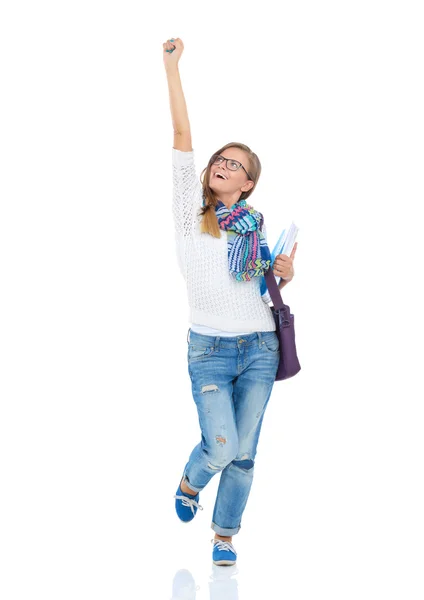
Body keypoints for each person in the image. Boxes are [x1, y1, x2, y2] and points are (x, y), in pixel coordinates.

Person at [163, 37, 298, 566]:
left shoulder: (254, 225)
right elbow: (180, 135)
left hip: (260, 345)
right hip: (210, 351)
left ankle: (224, 534)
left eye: (234, 164)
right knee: (220, 447)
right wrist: (171, 68)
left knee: (244, 454)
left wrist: (284, 271)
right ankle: (191, 479)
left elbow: (259, 281)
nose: (222, 164)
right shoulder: (186, 212)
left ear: (248, 183)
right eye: (219, 159)